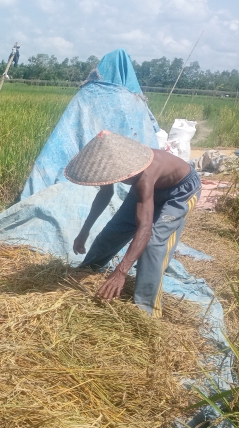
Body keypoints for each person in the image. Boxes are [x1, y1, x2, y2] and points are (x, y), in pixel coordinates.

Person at [66, 130, 201, 317]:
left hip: (180, 191)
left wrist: (121, 272)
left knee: (154, 243)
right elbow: (105, 195)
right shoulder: (110, 164)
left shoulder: (143, 177)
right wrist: (84, 231)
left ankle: (147, 310)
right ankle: (87, 270)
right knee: (114, 231)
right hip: (151, 188)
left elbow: (144, 229)